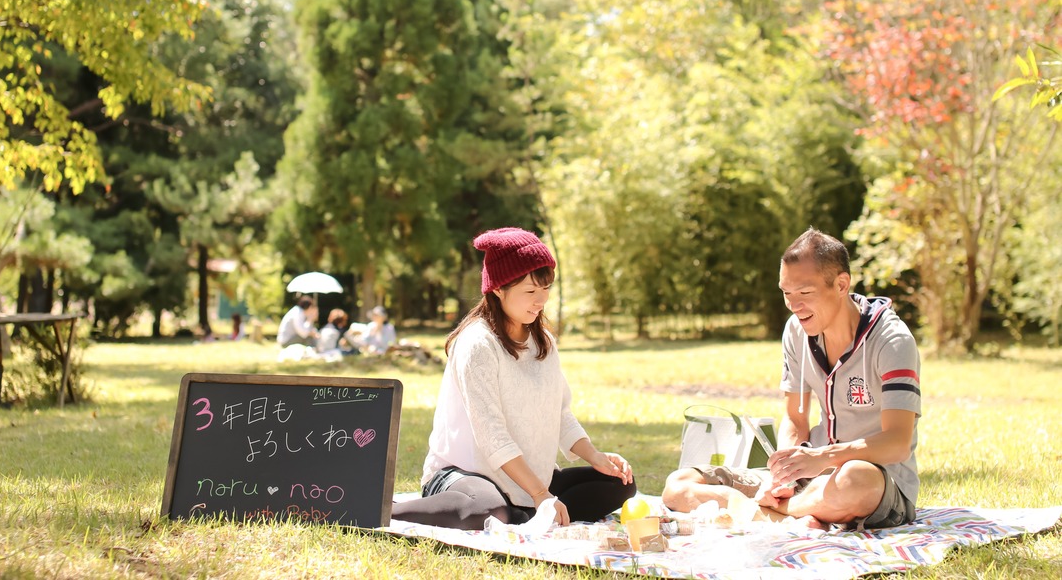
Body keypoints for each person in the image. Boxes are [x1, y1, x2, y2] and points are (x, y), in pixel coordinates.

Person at [662, 228, 921, 530]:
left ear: (841, 284)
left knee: (855, 480)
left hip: (877, 481)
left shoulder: (892, 341)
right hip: (809, 479)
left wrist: (822, 457)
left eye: (805, 293)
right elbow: (796, 419)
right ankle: (786, 513)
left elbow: (897, 443)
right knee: (679, 485)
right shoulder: (796, 331)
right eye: (787, 293)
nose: (795, 306)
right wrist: (783, 476)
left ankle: (768, 514)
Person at [392, 227, 636, 529]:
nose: (541, 300)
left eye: (546, 288)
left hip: (527, 478)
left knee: (620, 484)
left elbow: (560, 414)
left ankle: (524, 513)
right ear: (498, 289)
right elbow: (491, 434)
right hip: (467, 475)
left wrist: (595, 456)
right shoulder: (477, 344)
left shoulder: (544, 341)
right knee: (487, 510)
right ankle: (387, 510)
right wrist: (540, 493)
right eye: (530, 292)